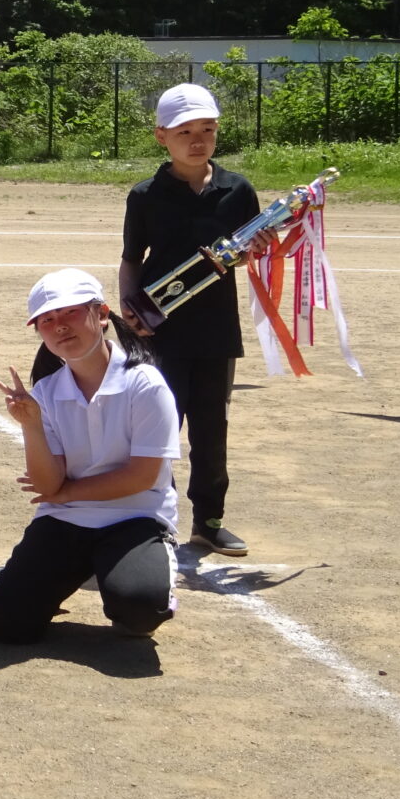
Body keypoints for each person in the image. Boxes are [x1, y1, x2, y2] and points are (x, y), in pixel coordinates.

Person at [0, 269, 181, 643]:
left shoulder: (145, 384)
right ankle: (15, 579)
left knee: (139, 609)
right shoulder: (48, 391)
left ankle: (130, 575)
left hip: (136, 516)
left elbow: (141, 477)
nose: (59, 327)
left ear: (102, 314)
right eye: (47, 320)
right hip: (67, 520)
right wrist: (31, 425)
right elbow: (47, 485)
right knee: (3, 622)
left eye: (70, 313)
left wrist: (66, 493)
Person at [119, 83, 263, 557]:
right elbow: (131, 260)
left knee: (210, 429)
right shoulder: (145, 195)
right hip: (160, 331)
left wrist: (257, 252)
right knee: (159, 427)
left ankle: (209, 520)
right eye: (185, 132)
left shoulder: (237, 190)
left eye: (208, 129)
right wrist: (129, 312)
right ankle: (149, 519)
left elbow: (244, 253)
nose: (198, 140)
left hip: (217, 332)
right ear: (162, 136)